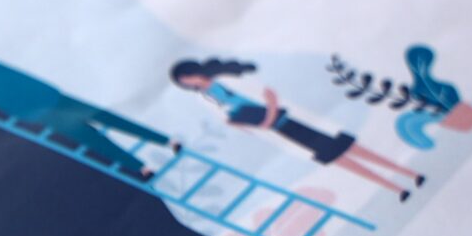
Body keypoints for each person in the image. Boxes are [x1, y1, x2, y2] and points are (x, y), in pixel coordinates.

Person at [170, 58, 425, 201]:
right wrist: (248, 125)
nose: (190, 82)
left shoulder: (226, 79)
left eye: (188, 77)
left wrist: (268, 117)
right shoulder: (205, 98)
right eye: (184, 82)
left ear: (194, 71)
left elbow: (267, 94)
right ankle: (396, 188)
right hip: (276, 132)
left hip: (291, 120)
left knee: (352, 150)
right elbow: (225, 117)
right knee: (339, 160)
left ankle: (410, 173)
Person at [0, 48, 176, 179]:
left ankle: (146, 162)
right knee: (101, 124)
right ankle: (159, 148)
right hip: (45, 98)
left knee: (93, 134)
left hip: (36, 108)